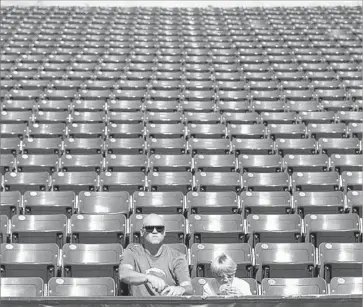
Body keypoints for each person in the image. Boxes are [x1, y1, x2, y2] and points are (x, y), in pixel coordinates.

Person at [119, 213, 192, 296]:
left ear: (164, 232)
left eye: (159, 228)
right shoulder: (132, 252)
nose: (155, 231)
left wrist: (180, 289)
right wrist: (148, 277)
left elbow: (188, 288)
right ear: (142, 232)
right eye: (149, 228)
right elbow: (124, 274)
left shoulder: (177, 257)